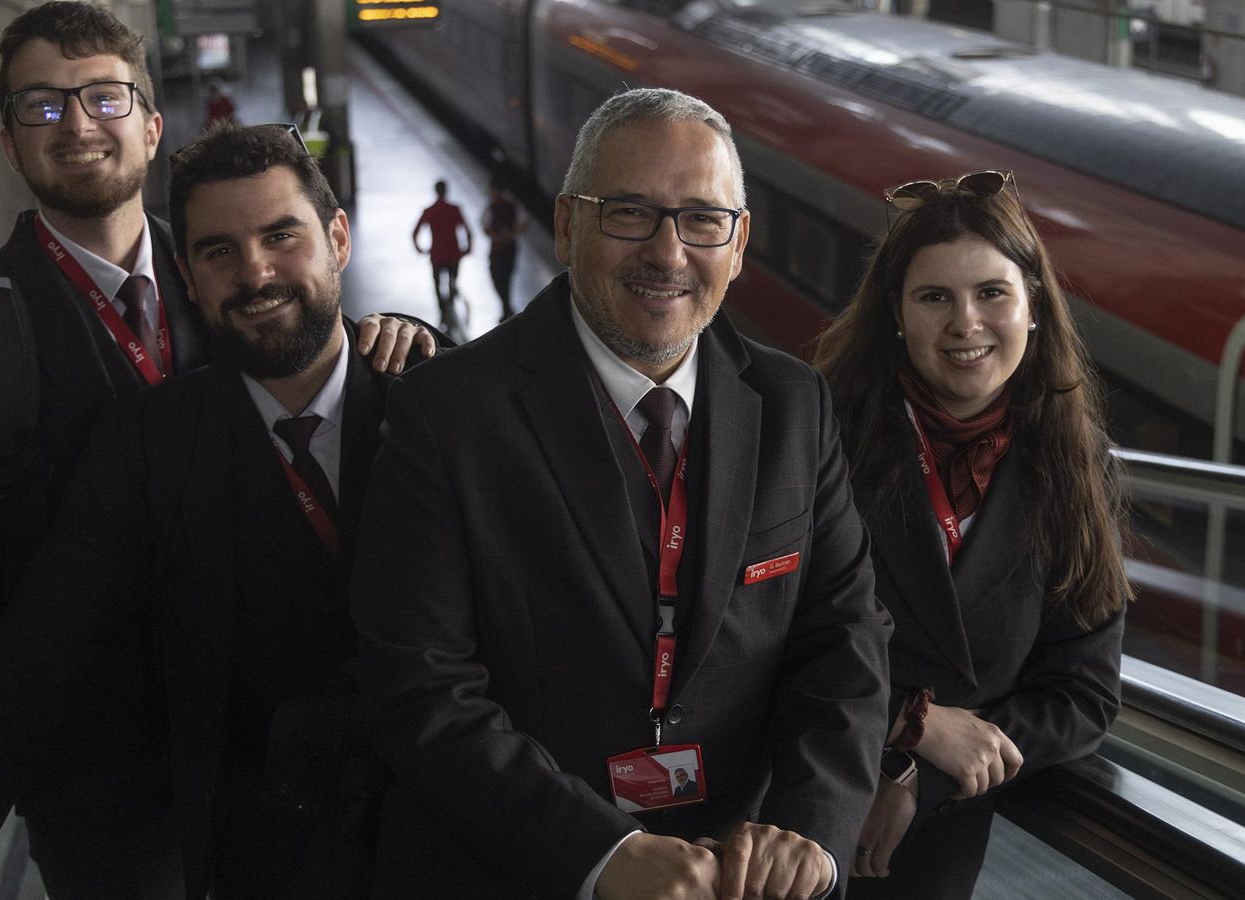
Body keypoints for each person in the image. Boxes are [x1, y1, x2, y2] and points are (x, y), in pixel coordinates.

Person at [0, 2, 430, 893]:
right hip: (102, 781)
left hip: (267, 754)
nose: (78, 123)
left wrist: (398, 333)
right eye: (41, 105)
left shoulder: (223, 271)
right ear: (8, 142)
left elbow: (305, 342)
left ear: (152, 125)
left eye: (104, 97)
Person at [351, 87, 893, 899]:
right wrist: (600, 856)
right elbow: (421, 688)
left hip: (735, 878)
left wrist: (813, 830)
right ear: (567, 225)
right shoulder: (448, 415)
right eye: (629, 213)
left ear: (739, 243)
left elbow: (845, 636)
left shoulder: (794, 407)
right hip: (522, 870)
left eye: (703, 220)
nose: (669, 254)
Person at [810, 170, 1129, 899]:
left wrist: (930, 774)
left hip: (930, 857)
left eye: (992, 293)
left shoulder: (1079, 472)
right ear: (894, 312)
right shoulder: (818, 435)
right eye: (934, 297)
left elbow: (1083, 694)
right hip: (785, 821)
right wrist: (907, 724)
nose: (966, 324)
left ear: (1033, 306)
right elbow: (751, 635)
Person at [412, 179, 472, 335]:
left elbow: (415, 233)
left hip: (437, 255)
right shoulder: (455, 209)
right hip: (453, 254)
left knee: (437, 283)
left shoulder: (429, 211)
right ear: (446, 191)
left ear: (435, 191)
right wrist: (467, 248)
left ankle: (443, 310)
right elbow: (467, 230)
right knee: (453, 281)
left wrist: (420, 249)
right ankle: (450, 305)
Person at [482, 176, 527, 321]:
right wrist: (511, 234)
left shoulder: (492, 207)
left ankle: (506, 308)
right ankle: (507, 308)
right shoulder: (513, 205)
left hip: (497, 250)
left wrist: (497, 236)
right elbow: (524, 223)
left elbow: (485, 226)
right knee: (506, 278)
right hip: (511, 248)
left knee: (497, 277)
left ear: (494, 189)